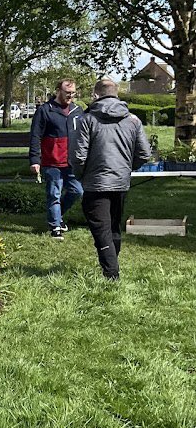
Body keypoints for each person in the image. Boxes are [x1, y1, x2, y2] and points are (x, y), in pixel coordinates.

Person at [71, 77, 151, 280]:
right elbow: (144, 154)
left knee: (101, 229)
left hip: (95, 182)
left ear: (96, 95)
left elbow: (78, 156)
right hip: (120, 182)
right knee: (113, 226)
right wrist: (126, 168)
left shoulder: (87, 119)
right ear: (117, 94)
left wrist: (81, 175)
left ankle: (111, 274)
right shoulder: (132, 120)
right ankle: (112, 266)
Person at [29, 79, 85, 240]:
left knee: (77, 191)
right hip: (52, 161)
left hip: (72, 162)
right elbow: (35, 136)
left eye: (73, 93)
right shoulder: (46, 110)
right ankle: (55, 228)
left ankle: (57, 216)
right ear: (58, 91)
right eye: (67, 93)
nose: (70, 96)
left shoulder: (77, 110)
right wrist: (34, 159)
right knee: (54, 194)